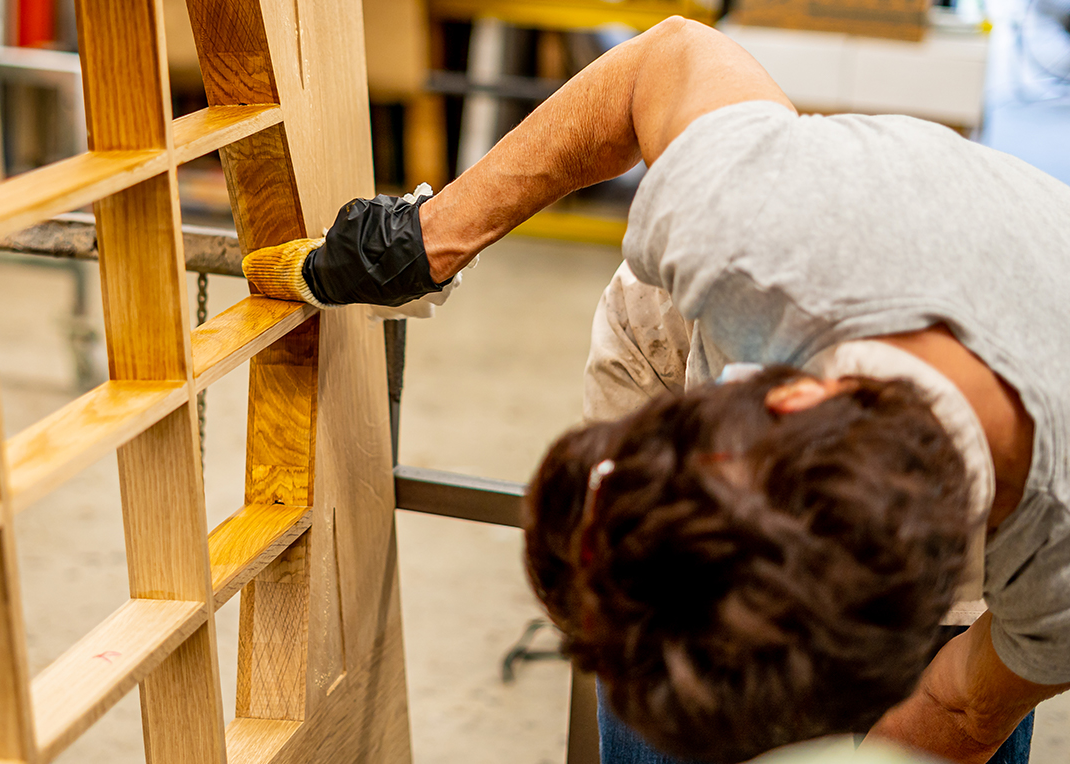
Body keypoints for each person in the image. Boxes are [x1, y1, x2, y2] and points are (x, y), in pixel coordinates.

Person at [239, 15, 1070, 764]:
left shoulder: (1055, 570)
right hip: (712, 313)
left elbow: (960, 706)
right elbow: (666, 59)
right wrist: (429, 239)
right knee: (660, 672)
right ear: (788, 395)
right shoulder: (751, 229)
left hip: (1008, 454)